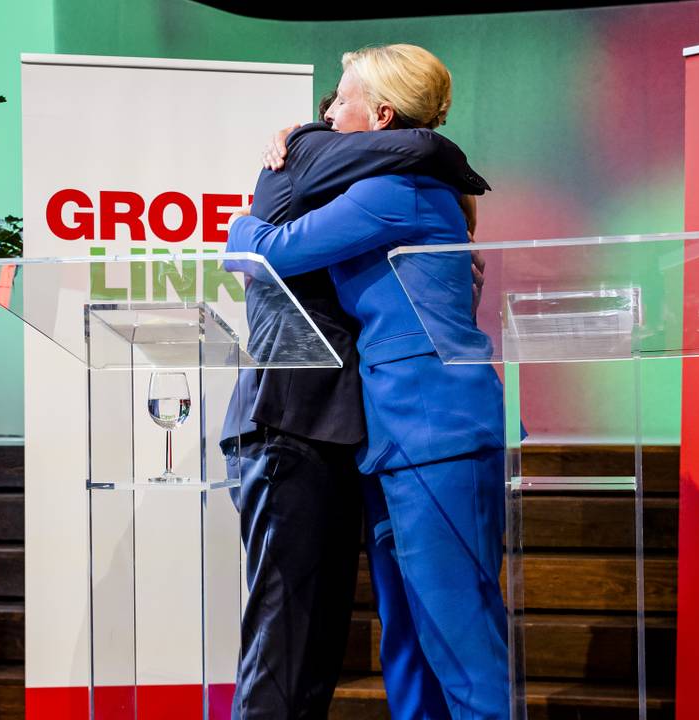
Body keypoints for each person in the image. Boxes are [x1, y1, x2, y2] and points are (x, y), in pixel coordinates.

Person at [228, 44, 509, 720]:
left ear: (382, 115)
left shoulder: (396, 189)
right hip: (390, 437)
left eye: (342, 99)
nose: (327, 112)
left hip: (434, 432)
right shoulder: (398, 180)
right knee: (408, 642)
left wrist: (242, 220)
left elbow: (263, 252)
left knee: (460, 641)